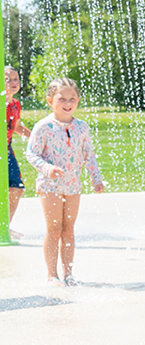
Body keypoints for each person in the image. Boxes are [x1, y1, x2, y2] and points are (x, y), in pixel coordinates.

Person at [25, 78, 105, 286]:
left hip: (73, 186)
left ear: (78, 100)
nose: (67, 102)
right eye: (62, 99)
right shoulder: (43, 126)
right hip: (49, 186)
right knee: (54, 230)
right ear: (50, 100)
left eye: (72, 98)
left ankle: (68, 274)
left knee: (68, 230)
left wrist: (95, 178)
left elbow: (89, 155)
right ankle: (52, 275)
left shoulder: (82, 127)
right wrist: (48, 168)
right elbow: (31, 154)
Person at [6, 66, 31, 234]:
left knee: (17, 188)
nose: (14, 82)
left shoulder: (15, 104)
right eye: (8, 79)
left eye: (16, 79)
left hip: (6, 151)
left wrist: (37, 137)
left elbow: (16, 127)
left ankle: (3, 227)